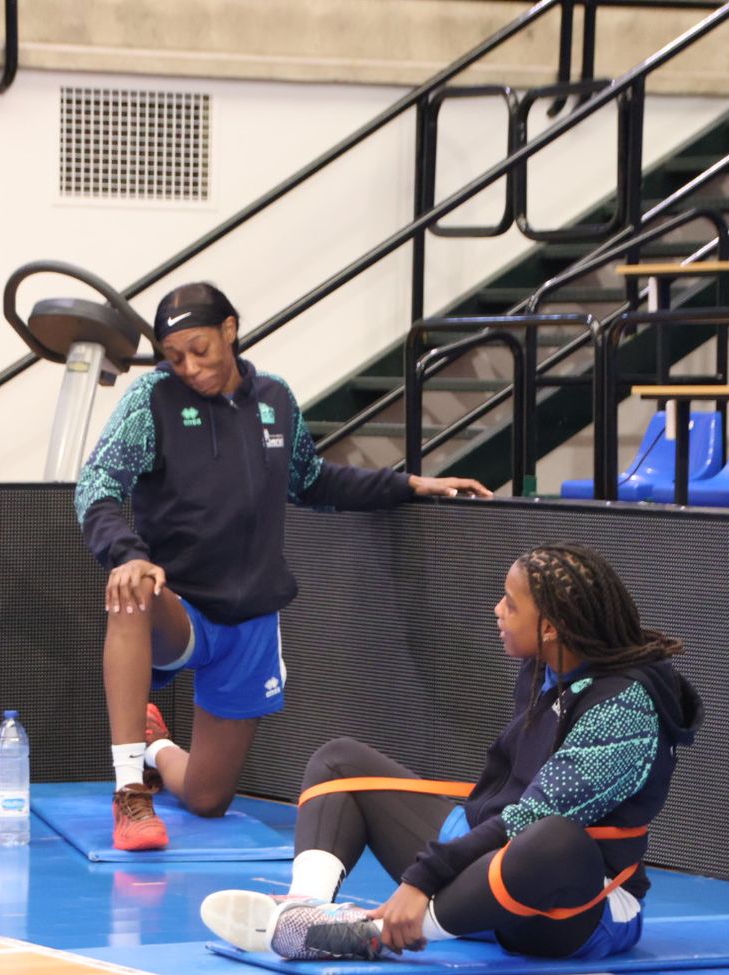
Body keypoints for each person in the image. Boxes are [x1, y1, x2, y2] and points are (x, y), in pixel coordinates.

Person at [74, 281, 492, 852]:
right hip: (179, 606)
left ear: (231, 329)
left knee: (206, 799)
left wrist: (408, 483)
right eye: (174, 358)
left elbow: (311, 481)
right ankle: (130, 792)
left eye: (201, 349)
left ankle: (155, 749)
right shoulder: (151, 401)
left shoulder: (275, 399)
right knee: (129, 591)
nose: (190, 368)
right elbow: (95, 486)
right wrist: (129, 553)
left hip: (250, 619)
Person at [201, 542, 702, 962]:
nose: (497, 611)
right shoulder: (542, 665)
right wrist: (439, 866)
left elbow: (533, 819)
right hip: (485, 870)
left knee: (554, 839)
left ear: (550, 626)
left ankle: (377, 935)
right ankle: (306, 913)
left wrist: (421, 880)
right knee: (338, 763)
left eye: (510, 604)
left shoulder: (625, 705)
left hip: (570, 905)